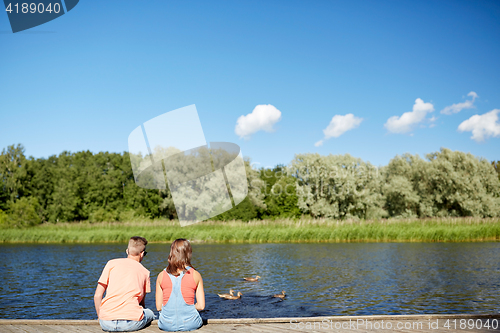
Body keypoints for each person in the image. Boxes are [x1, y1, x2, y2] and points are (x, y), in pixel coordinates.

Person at [94, 236, 155, 332]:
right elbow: (141, 303)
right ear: (142, 254)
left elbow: (97, 295)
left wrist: (100, 317)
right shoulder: (145, 272)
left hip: (106, 322)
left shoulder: (111, 264)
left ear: (127, 251)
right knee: (150, 313)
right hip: (131, 323)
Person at [156, 238, 205, 331]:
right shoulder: (196, 274)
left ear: (172, 252)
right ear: (189, 253)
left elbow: (159, 307)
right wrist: (187, 307)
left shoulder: (161, 275)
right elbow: (201, 306)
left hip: (166, 325)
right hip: (191, 324)